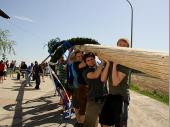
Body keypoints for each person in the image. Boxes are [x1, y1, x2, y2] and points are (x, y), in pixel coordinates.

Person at [99, 38, 130, 127]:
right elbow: (103, 79)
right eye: (120, 45)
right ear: (116, 46)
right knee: (105, 122)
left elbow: (115, 82)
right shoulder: (111, 61)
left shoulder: (125, 64)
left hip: (122, 97)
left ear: (128, 48)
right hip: (111, 95)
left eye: (124, 45)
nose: (122, 47)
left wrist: (115, 65)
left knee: (119, 124)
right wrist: (108, 64)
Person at [82, 52, 108, 127]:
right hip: (93, 102)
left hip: (104, 100)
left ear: (95, 59)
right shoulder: (85, 72)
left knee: (106, 124)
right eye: (88, 60)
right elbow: (95, 75)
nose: (90, 61)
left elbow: (104, 79)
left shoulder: (101, 68)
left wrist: (105, 62)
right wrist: (102, 61)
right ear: (86, 62)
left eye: (92, 59)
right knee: (91, 125)